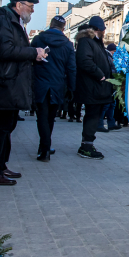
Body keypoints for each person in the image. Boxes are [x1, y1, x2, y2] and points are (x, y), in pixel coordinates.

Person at [0, 0, 48, 186]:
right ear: (19, 5)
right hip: (4, 83)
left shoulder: (14, 21)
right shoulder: (3, 20)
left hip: (11, 82)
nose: (32, 11)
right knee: (1, 128)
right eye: (30, 7)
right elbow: (4, 50)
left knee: (7, 126)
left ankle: (0, 165)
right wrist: (32, 52)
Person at [31, 15, 76, 161]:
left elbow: (28, 59)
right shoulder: (68, 44)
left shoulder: (38, 40)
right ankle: (45, 147)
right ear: (63, 28)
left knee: (42, 116)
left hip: (40, 83)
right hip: (57, 85)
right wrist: (71, 88)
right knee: (50, 117)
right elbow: (71, 68)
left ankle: (44, 148)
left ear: (50, 25)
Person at [75, 16, 113, 159]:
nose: (104, 31)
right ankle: (86, 146)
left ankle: (88, 143)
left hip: (97, 88)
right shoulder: (87, 41)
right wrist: (100, 75)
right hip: (92, 88)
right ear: (99, 29)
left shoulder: (96, 43)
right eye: (103, 29)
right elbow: (84, 61)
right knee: (92, 116)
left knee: (94, 116)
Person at [101, 43, 121, 131]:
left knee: (112, 104)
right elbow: (111, 69)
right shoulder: (108, 56)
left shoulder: (108, 56)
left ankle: (111, 123)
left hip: (111, 82)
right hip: (109, 82)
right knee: (107, 104)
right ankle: (100, 124)